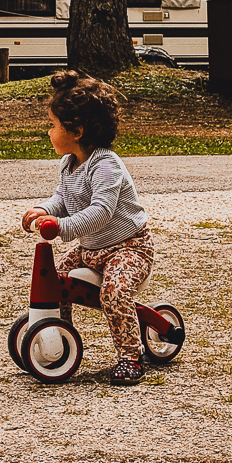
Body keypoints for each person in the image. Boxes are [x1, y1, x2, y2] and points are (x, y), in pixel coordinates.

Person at [22, 70, 153, 385]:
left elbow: (101, 212)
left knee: (114, 292)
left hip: (129, 247)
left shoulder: (107, 165)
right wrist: (44, 210)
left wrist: (61, 227)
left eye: (53, 125)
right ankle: (60, 337)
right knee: (56, 282)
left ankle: (130, 356)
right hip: (91, 249)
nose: (49, 132)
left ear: (76, 130)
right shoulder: (70, 163)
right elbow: (63, 199)